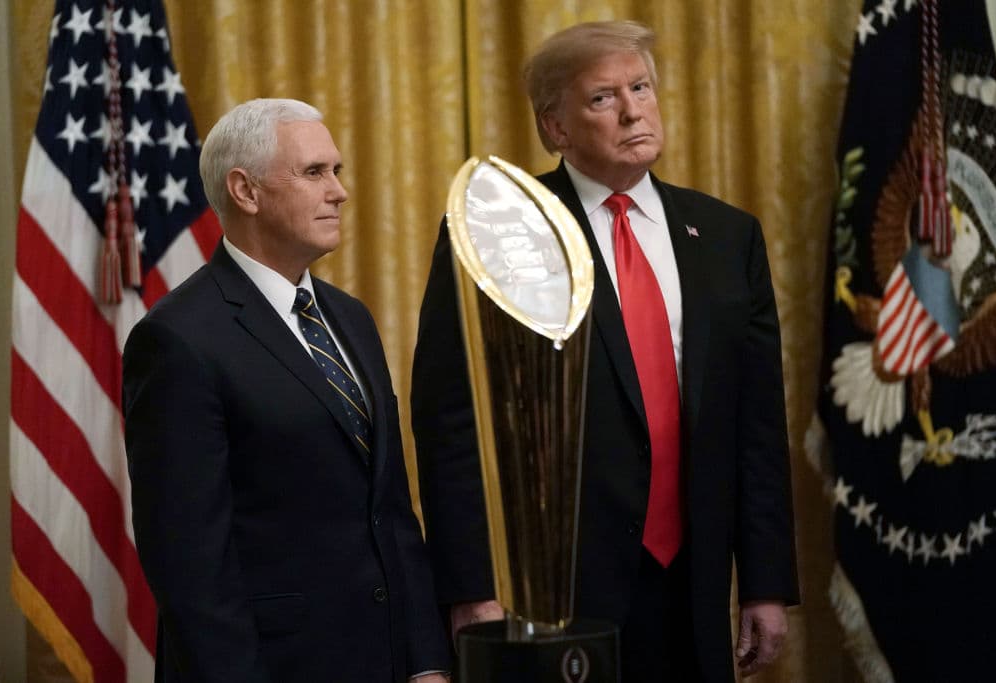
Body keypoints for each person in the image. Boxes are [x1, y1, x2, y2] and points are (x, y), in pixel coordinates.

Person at [411, 21, 798, 682]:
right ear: (555, 127)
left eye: (641, 87)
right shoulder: (504, 229)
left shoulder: (729, 236)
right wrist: (470, 586)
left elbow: (757, 423)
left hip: (695, 580)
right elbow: (450, 418)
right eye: (602, 98)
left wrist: (763, 581)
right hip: (556, 589)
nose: (633, 109)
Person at [123, 98, 449, 683]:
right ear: (245, 191)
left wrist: (426, 659)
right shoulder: (176, 339)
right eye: (314, 173)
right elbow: (189, 562)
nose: (340, 192)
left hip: (384, 659)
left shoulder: (349, 318)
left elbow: (392, 510)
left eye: (337, 171)